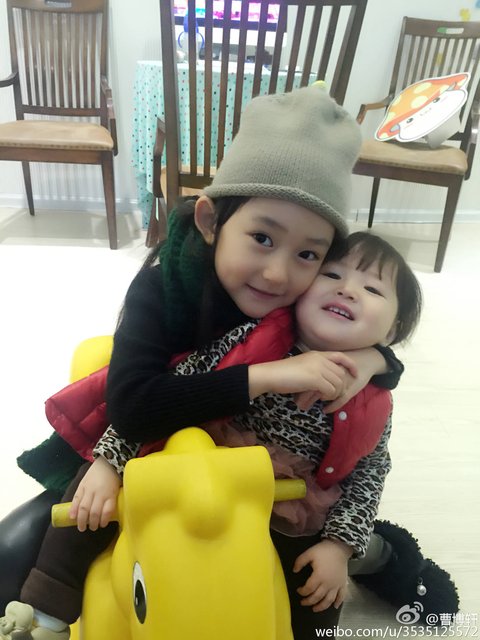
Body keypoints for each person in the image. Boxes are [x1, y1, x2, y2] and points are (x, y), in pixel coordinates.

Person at [0, 84, 404, 640]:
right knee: (27, 544)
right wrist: (267, 377)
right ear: (212, 221)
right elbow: (136, 406)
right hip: (145, 426)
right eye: (262, 238)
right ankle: (44, 611)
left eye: (309, 254)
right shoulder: (163, 287)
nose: (278, 274)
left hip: (254, 478)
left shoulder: (305, 306)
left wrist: (372, 359)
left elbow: (370, 341)